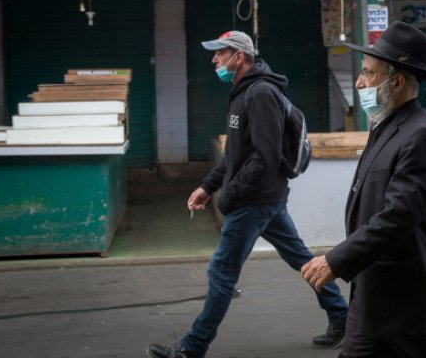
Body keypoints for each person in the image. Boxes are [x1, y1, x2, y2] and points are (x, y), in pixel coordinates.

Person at [147, 31, 348, 358]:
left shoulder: (261, 94)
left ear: (238, 56)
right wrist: (207, 186)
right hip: (265, 198)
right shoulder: (241, 92)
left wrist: (228, 197)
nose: (214, 60)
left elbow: (265, 158)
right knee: (300, 257)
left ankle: (192, 348)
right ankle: (343, 316)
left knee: (221, 271)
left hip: (256, 199)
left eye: (220, 53)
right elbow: (235, 154)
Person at [301, 22, 426, 357]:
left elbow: (397, 217)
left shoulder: (421, 135)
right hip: (378, 295)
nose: (360, 82)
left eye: (368, 73)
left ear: (395, 82)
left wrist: (336, 260)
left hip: (415, 302)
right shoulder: (387, 127)